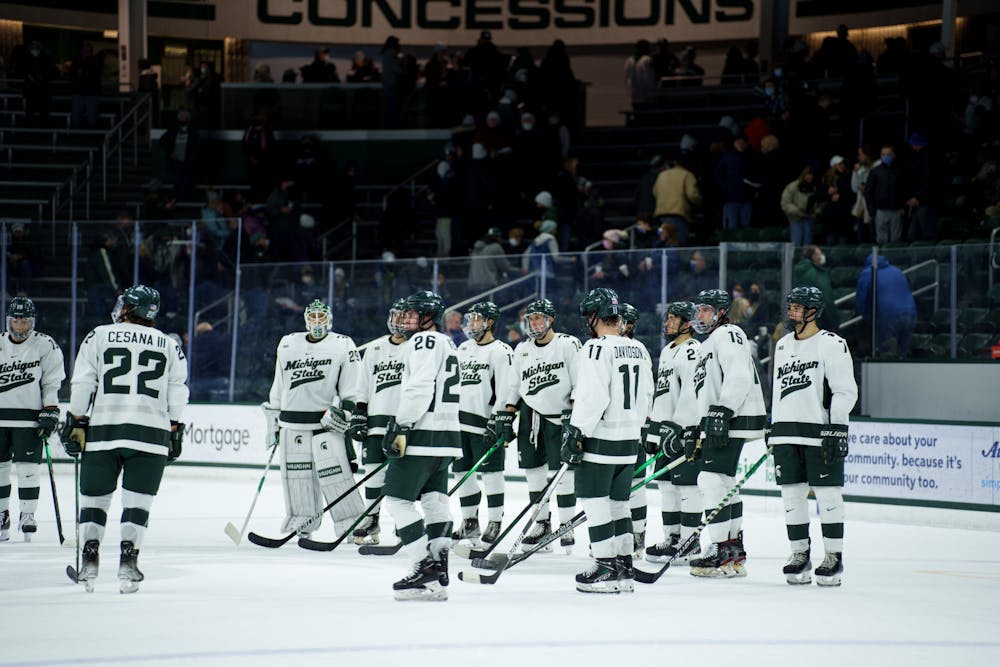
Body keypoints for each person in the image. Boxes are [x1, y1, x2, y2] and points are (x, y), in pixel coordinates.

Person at [61, 286, 187, 593]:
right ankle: (129, 564)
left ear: (129, 309)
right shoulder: (170, 344)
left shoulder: (100, 334)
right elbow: (178, 391)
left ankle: (89, 562)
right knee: (138, 503)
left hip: (106, 429)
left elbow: (82, 383)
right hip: (151, 433)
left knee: (94, 499)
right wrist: (174, 427)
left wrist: (76, 418)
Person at [562, 288, 653, 593]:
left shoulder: (596, 348)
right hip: (630, 442)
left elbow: (593, 396)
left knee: (595, 502)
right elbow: (648, 395)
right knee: (619, 504)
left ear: (595, 316)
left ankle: (604, 565)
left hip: (601, 440)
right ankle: (624, 565)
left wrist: (577, 431)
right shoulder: (638, 348)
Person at [770, 287, 858, 586]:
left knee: (828, 494)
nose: (792, 311)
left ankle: (834, 556)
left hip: (819, 432)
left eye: (798, 307)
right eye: (791, 306)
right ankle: (799, 554)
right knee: (791, 496)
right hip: (786, 433)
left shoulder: (832, 343)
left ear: (812, 311)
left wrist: (838, 426)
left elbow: (845, 390)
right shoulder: (782, 345)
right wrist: (775, 425)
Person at [261, 299, 365, 541]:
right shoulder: (287, 342)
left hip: (325, 424)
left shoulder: (343, 344)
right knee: (298, 477)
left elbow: (353, 388)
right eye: (313, 316)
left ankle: (351, 524)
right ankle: (302, 521)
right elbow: (279, 384)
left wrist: (346, 413)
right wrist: (273, 420)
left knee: (336, 476)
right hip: (292, 423)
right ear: (306, 318)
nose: (317, 322)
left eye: (321, 316)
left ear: (329, 318)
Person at [381, 291, 461, 601]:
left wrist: (401, 424)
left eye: (414, 315)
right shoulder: (448, 343)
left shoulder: (423, 341)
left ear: (430, 317)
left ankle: (423, 566)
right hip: (446, 436)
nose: (406, 320)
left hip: (422, 433)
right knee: (434, 500)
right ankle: (438, 574)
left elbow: (419, 386)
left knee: (397, 501)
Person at [687, 289, 767, 578]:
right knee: (724, 481)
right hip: (721, 417)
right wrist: (700, 424)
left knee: (710, 479)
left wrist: (723, 410)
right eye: (699, 310)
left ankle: (720, 549)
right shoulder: (709, 343)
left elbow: (740, 375)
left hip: (730, 417)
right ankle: (732, 549)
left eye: (707, 310)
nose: (701, 315)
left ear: (721, 312)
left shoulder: (728, 333)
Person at [503, 298, 580, 551]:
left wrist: (575, 413)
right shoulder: (522, 349)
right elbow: (513, 386)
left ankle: (566, 525)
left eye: (539, 318)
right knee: (534, 474)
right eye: (530, 318)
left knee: (563, 475)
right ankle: (542, 524)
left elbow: (580, 381)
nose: (534, 323)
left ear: (551, 320)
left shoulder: (568, 344)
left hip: (562, 418)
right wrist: (506, 415)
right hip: (531, 416)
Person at [0, 297, 64, 542]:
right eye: (16, 320)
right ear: (9, 321)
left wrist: (50, 410)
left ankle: (27, 515)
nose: (20, 325)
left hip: (29, 418)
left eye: (24, 320)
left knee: (28, 470)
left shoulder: (45, 345)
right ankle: (2, 514)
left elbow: (50, 383)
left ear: (32, 322)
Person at [643, 302, 702, 564]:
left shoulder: (693, 351)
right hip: (666, 431)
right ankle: (673, 538)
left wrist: (682, 429)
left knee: (687, 487)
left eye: (673, 319)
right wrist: (654, 431)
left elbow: (693, 394)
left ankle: (691, 542)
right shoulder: (668, 350)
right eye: (667, 318)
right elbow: (663, 395)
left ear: (687, 323)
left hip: (684, 431)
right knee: (667, 487)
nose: (667, 323)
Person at [453, 302, 516, 544]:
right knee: (461, 472)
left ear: (490, 322)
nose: (471, 324)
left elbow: (506, 388)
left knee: (492, 473)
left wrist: (498, 419)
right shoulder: (463, 348)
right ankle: (469, 521)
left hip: (486, 423)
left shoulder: (501, 351)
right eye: (470, 320)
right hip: (461, 423)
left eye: (477, 319)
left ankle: (494, 521)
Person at [348, 298, 408, 545]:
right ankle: (372, 520)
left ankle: (403, 523)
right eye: (395, 316)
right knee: (372, 473)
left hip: (402, 422)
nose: (397, 322)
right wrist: (359, 412)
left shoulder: (416, 348)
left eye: (403, 317)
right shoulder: (374, 349)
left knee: (401, 476)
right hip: (375, 421)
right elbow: (362, 385)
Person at [619, 304, 653, 557]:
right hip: (632, 426)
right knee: (629, 484)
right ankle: (631, 534)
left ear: (629, 324)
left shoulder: (633, 349)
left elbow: (647, 390)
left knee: (635, 484)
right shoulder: (639, 349)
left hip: (628, 427)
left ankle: (637, 533)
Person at [855, 253, 917, 356]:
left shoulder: (868, 273)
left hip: (888, 316)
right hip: (910, 313)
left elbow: (862, 298)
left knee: (888, 352)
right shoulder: (897, 270)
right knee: (903, 353)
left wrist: (867, 317)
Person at [793, 245, 841, 332]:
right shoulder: (817, 275)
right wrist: (834, 322)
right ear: (814, 257)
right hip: (819, 322)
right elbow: (826, 300)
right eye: (820, 253)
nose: (822, 255)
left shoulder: (798, 271)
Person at [865, 144, 906, 244]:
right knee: (881, 240)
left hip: (896, 210)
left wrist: (903, 207)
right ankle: (882, 259)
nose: (885, 156)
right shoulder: (875, 171)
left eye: (888, 154)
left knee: (896, 240)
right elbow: (868, 191)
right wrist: (872, 211)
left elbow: (904, 189)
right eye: (883, 154)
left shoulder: (900, 170)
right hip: (880, 211)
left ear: (894, 155)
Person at [781, 166, 821, 247]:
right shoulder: (792, 186)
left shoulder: (814, 187)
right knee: (796, 243)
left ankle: (806, 259)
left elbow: (819, 203)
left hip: (809, 217)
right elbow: (785, 203)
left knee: (808, 244)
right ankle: (795, 258)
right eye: (808, 174)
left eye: (811, 175)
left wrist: (816, 213)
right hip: (796, 217)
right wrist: (798, 211)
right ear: (803, 175)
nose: (810, 176)